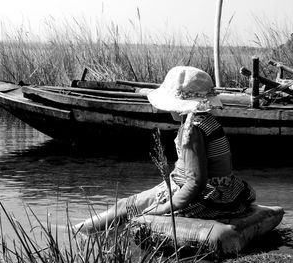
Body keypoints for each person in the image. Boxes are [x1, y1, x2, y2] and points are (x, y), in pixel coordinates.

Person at [75, 66, 255, 233]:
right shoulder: (208, 121)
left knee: (124, 206)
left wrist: (165, 207)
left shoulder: (192, 128)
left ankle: (79, 232)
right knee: (136, 202)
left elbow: (196, 181)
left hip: (204, 197)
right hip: (227, 192)